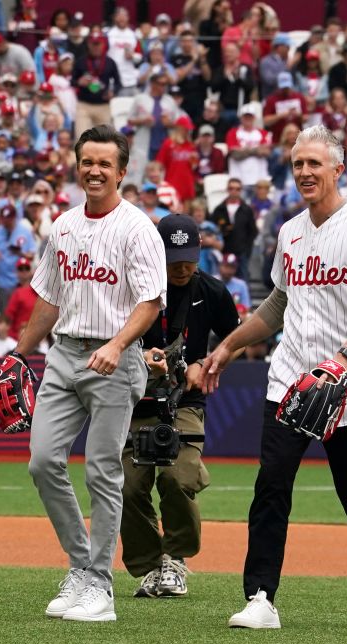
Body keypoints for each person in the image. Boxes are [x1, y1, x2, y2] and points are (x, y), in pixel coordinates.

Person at [201, 125, 347, 630]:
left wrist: (341, 359)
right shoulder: (291, 231)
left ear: (338, 169)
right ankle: (260, 598)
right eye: (298, 164)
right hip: (290, 380)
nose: (304, 172)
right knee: (271, 484)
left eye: (314, 163)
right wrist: (229, 345)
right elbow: (278, 303)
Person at [16, 124, 165, 623]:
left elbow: (150, 302)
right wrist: (19, 355)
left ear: (122, 171)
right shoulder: (62, 227)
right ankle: (81, 566)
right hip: (64, 354)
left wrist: (119, 345)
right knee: (42, 462)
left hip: (115, 359)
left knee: (102, 471)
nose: (95, 170)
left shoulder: (138, 228)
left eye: (105, 163)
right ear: (76, 166)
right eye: (87, 161)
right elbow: (49, 298)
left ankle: (99, 586)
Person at [121, 214, 239, 599]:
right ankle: (148, 567)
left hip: (185, 399)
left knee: (176, 477)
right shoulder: (135, 289)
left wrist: (207, 363)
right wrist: (140, 357)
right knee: (129, 486)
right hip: (135, 398)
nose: (183, 266)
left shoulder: (214, 292)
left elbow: (235, 339)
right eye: (174, 258)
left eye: (189, 257)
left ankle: (175, 559)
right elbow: (108, 337)